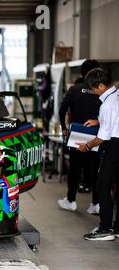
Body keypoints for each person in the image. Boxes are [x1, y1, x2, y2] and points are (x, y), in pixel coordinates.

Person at [76, 68, 119, 241]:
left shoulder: (107, 105)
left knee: (103, 184)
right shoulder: (116, 96)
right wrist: (99, 121)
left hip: (114, 145)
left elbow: (102, 137)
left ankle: (105, 228)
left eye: (92, 88)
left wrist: (86, 145)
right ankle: (116, 227)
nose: (92, 91)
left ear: (101, 86)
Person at [57, 60, 101, 214]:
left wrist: (64, 127)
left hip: (77, 133)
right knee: (95, 170)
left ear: (82, 73)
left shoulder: (74, 89)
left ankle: (71, 200)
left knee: (75, 168)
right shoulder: (101, 91)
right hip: (97, 134)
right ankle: (97, 203)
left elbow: (62, 109)